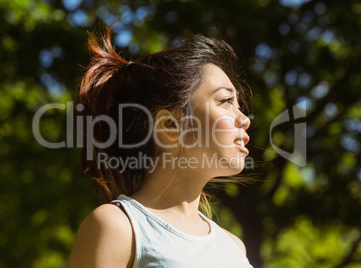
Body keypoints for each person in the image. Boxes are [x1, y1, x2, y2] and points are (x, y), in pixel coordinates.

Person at [68, 23, 254, 268]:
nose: (244, 119)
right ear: (170, 126)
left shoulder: (234, 247)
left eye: (239, 105)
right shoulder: (118, 227)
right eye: (226, 100)